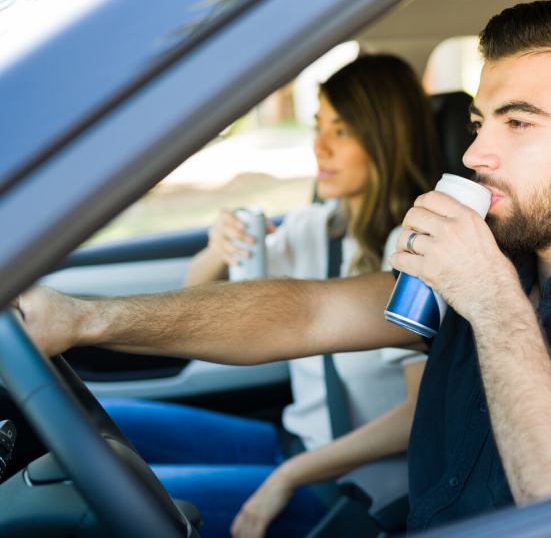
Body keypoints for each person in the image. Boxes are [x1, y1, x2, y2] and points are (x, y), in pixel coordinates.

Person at [16, 0, 551, 533]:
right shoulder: (501, 255)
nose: (476, 153)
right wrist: (85, 318)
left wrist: (492, 300)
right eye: (481, 122)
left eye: (517, 122)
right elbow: (306, 312)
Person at [97, 54, 443, 538]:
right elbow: (197, 310)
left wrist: (288, 476)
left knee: (110, 504)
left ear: (387, 136)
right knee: (108, 422)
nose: (318, 146)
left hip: (356, 486)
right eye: (317, 126)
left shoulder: (415, 253)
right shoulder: (314, 228)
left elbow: (416, 418)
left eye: (340, 132)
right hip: (296, 441)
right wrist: (218, 251)